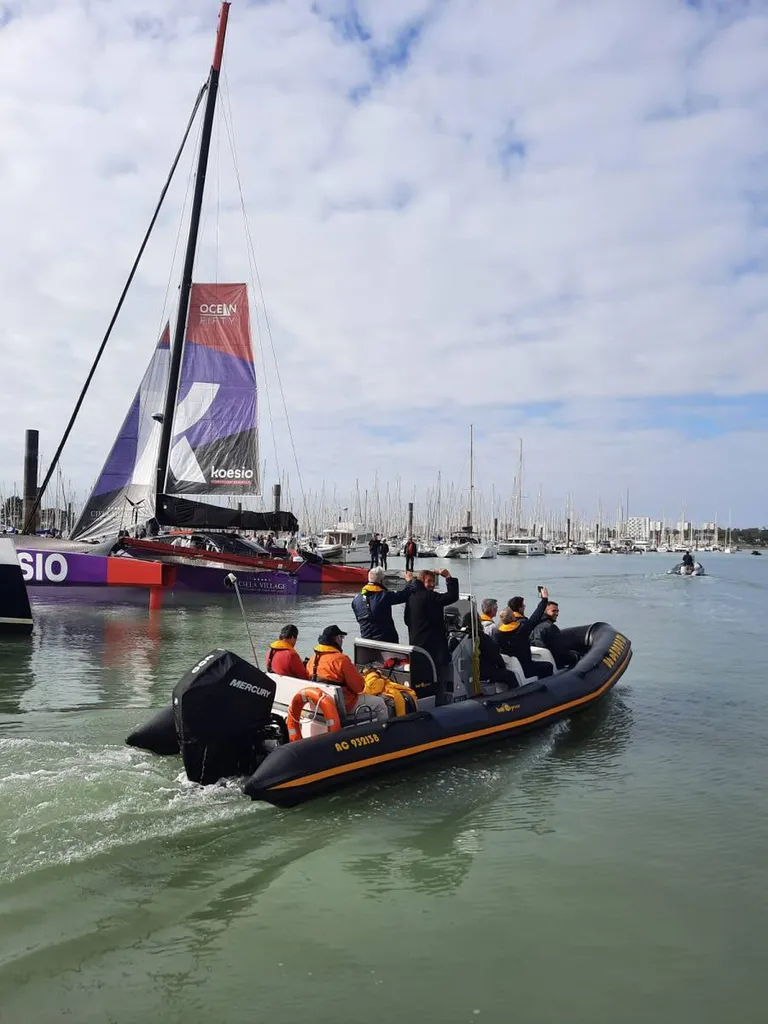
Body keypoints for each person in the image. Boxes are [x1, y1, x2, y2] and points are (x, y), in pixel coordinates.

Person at [306, 625, 389, 722]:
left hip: (320, 704)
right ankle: (383, 733)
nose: (342, 640)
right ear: (336, 639)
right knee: (380, 703)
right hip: (344, 704)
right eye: (341, 637)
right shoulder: (341, 660)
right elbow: (359, 687)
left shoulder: (312, 659)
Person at [404, 568, 460, 706]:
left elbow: (406, 619)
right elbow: (452, 596)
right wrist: (448, 576)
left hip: (416, 646)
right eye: (429, 581)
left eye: (433, 582)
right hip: (433, 647)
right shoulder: (430, 597)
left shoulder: (410, 597)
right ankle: (441, 705)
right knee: (438, 677)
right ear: (421, 581)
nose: (432, 585)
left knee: (423, 678)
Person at [452, 612, 520, 694]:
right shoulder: (481, 637)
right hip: (482, 673)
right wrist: (502, 666)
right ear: (478, 622)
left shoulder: (459, 637)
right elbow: (494, 655)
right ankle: (515, 699)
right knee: (510, 675)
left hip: (462, 673)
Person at [492, 588, 552, 680]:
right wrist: (544, 599)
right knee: (548, 666)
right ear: (513, 617)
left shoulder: (496, 632)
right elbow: (536, 616)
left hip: (509, 666)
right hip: (526, 667)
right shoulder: (522, 628)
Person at [351, 567, 415, 643]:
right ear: (382, 580)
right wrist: (409, 581)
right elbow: (405, 595)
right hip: (386, 642)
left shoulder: (356, 600)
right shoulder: (384, 596)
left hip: (366, 642)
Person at [530, 602, 578, 670]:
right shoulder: (551, 628)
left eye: (557, 611)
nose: (557, 614)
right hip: (553, 663)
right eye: (554, 611)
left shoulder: (533, 625)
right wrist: (575, 656)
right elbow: (560, 651)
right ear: (545, 611)